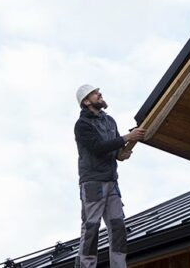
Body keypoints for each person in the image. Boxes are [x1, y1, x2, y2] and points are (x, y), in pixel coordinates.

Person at [73, 84, 147, 268]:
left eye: (98, 92)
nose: (100, 94)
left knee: (118, 227)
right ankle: (86, 266)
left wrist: (121, 153)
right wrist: (127, 138)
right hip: (93, 183)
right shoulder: (82, 125)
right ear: (86, 101)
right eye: (95, 93)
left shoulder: (110, 121)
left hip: (111, 181)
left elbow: (113, 149)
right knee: (91, 228)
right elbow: (98, 148)